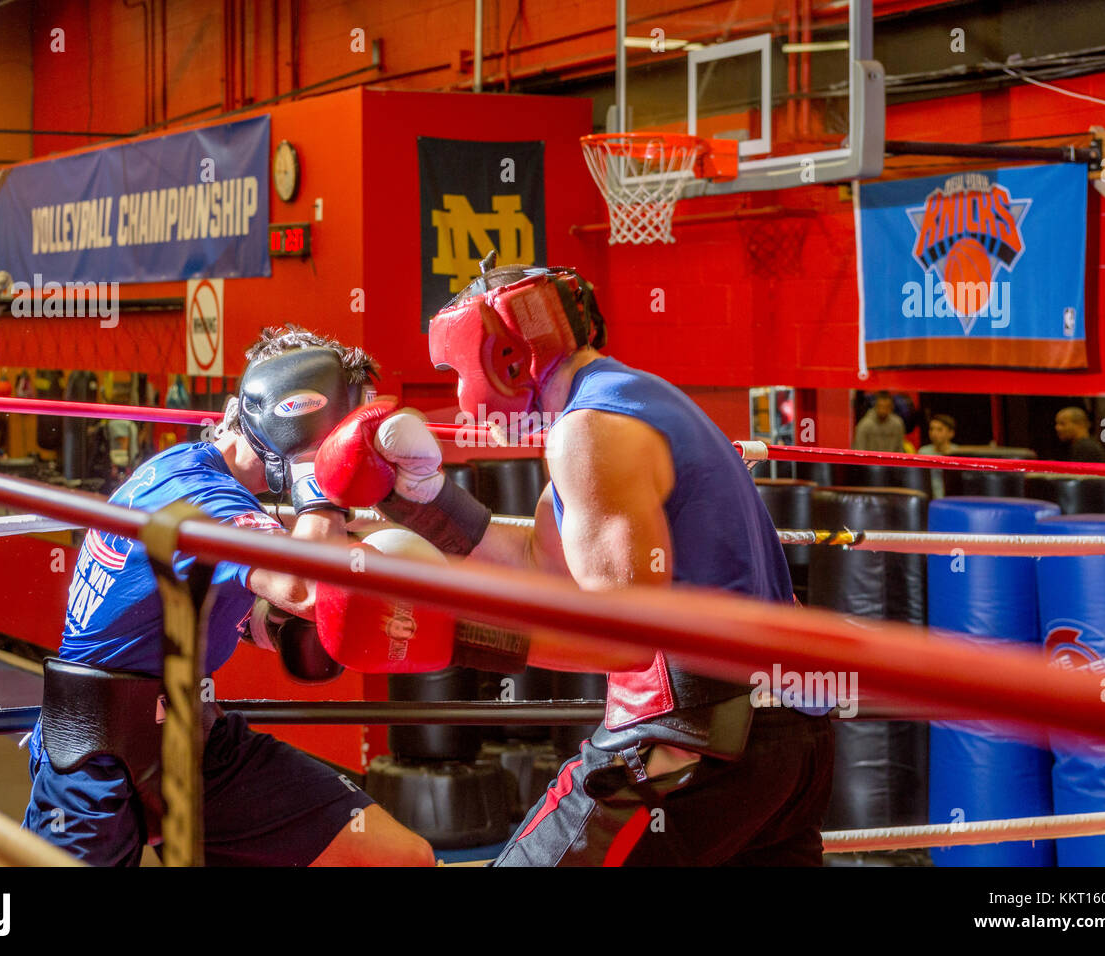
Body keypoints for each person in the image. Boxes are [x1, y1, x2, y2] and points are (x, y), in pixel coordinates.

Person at [314, 254, 834, 866]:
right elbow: (544, 563)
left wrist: (455, 632)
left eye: (457, 370)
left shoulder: (588, 432)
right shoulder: (627, 400)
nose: (458, 394)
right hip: (787, 741)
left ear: (506, 357)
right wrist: (421, 501)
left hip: (688, 746)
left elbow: (626, 636)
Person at [22, 325, 434, 866]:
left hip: (196, 740)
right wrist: (319, 482)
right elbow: (300, 584)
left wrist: (300, 630)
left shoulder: (221, 490)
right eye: (333, 440)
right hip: (95, 752)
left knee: (397, 858)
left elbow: (257, 607)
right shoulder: (193, 491)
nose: (340, 457)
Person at [918, 413, 957, 499]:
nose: (934, 433)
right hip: (928, 498)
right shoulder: (923, 452)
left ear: (951, 433)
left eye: (939, 430)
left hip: (951, 498)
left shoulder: (957, 453)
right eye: (932, 429)